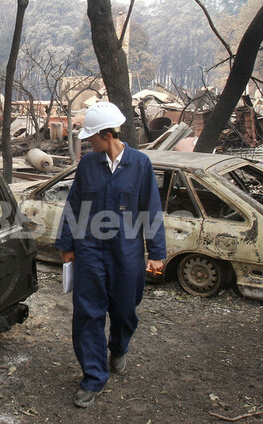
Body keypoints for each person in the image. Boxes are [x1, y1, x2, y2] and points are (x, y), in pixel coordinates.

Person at [55, 101, 167, 408]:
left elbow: (151, 209)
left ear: (106, 135)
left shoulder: (140, 164)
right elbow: (74, 205)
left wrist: (156, 252)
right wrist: (67, 245)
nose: (88, 143)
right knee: (87, 314)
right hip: (90, 250)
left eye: (91, 137)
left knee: (125, 309)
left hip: (126, 250)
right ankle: (93, 377)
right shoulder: (88, 165)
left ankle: (119, 346)